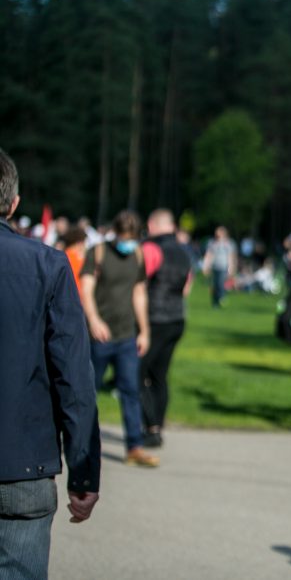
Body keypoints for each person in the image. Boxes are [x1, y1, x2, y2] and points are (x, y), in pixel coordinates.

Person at [0, 148, 100, 578]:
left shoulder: (50, 265)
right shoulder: (47, 265)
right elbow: (73, 377)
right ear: (13, 203)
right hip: (22, 464)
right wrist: (84, 472)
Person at [80, 210, 159, 468]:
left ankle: (134, 447)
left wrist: (144, 330)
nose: (128, 243)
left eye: (132, 238)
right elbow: (86, 288)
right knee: (86, 392)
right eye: (124, 237)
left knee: (130, 391)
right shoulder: (99, 252)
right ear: (115, 233)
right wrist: (93, 320)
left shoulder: (137, 255)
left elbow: (139, 293)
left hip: (126, 335)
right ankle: (80, 444)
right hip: (99, 336)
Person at [139, 208, 193, 448]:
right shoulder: (184, 252)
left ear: (152, 225)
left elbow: (138, 283)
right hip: (177, 318)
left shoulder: (151, 248)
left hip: (154, 319)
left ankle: (150, 426)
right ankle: (158, 426)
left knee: (136, 373)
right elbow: (186, 288)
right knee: (160, 375)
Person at [202, 226, 237, 307]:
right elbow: (209, 255)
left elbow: (231, 256)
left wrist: (231, 268)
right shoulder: (212, 243)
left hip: (224, 267)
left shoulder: (229, 243)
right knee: (214, 285)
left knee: (220, 284)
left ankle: (221, 297)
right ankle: (215, 302)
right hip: (214, 266)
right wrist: (205, 266)